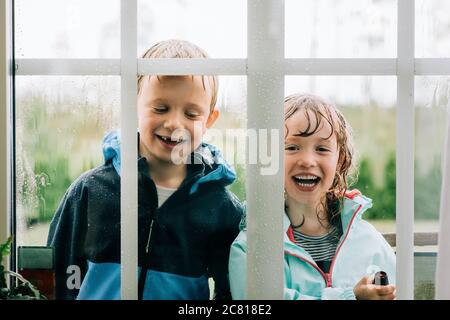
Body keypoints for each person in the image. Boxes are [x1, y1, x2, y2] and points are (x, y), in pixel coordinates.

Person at [47, 39, 244, 300]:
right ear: (132, 106)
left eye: (191, 114)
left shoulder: (220, 207)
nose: (174, 122)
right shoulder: (90, 191)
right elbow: (53, 275)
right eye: (161, 108)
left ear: (209, 120)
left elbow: (230, 292)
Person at [229, 93, 396, 300]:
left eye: (322, 149)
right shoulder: (251, 247)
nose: (307, 160)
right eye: (292, 147)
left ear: (340, 159)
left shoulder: (369, 241)